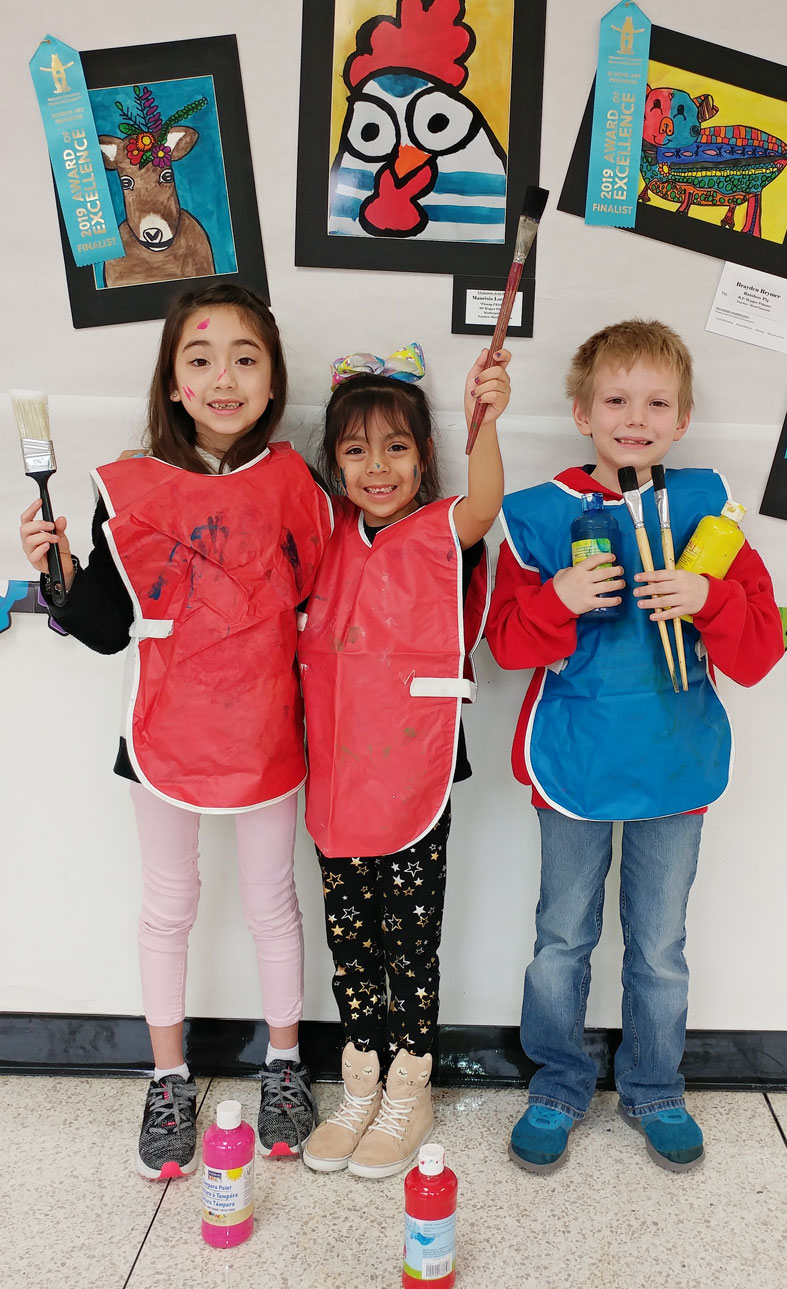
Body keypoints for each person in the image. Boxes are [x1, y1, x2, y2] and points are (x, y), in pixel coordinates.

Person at [19, 284, 332, 1181]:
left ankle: (283, 1064)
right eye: (200, 360)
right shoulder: (126, 486)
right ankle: (166, 1077)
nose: (223, 377)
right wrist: (59, 573)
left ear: (273, 380)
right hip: (161, 735)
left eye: (245, 357)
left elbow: (318, 600)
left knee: (272, 903)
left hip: (268, 729)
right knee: (169, 906)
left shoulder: (294, 486)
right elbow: (109, 626)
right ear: (172, 381)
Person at [485, 319, 784, 1174]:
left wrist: (709, 596)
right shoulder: (541, 517)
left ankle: (655, 1086)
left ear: (683, 419)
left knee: (659, 946)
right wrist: (561, 599)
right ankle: (557, 1081)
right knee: (561, 939)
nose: (635, 416)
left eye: (657, 402)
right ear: (582, 412)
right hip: (574, 762)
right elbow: (506, 645)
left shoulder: (707, 510)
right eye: (616, 399)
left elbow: (759, 655)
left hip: (674, 763)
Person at [299, 341, 510, 1180]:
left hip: (417, 765)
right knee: (349, 938)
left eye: (396, 447)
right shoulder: (325, 533)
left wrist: (484, 416)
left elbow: (487, 501)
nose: (376, 467)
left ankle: (409, 1087)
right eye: (356, 450)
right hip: (340, 770)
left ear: (425, 457)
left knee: (409, 935)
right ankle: (360, 1080)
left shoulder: (441, 530)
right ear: (334, 462)